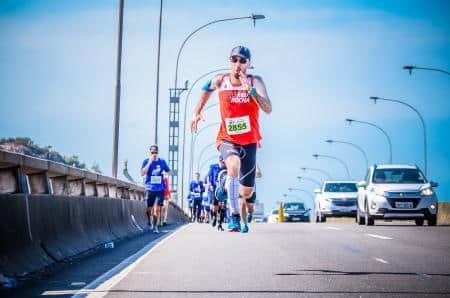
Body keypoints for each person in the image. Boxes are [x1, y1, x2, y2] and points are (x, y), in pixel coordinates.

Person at [190, 45, 272, 233]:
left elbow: (268, 108)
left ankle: (226, 183)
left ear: (249, 64)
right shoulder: (221, 81)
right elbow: (206, 88)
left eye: (243, 61)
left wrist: (251, 92)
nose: (238, 64)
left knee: (246, 192)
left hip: (250, 141)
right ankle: (234, 217)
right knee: (233, 166)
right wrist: (196, 112)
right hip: (227, 138)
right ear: (230, 62)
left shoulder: (255, 81)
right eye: (234, 60)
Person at [141, 145, 170, 234]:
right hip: (149, 188)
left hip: (159, 189)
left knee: (157, 209)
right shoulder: (146, 161)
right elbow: (142, 173)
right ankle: (149, 220)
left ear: (158, 153)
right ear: (150, 153)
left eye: (155, 152)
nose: (154, 154)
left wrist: (166, 174)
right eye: (152, 153)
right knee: (148, 209)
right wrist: (149, 163)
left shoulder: (162, 162)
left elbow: (168, 171)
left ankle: (156, 227)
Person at [206, 156, 226, 227]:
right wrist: (209, 183)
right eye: (222, 162)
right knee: (214, 205)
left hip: (224, 189)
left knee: (223, 206)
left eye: (224, 162)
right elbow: (208, 176)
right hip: (214, 187)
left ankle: (220, 222)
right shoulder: (213, 167)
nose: (223, 163)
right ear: (220, 161)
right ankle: (214, 216)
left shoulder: (227, 168)